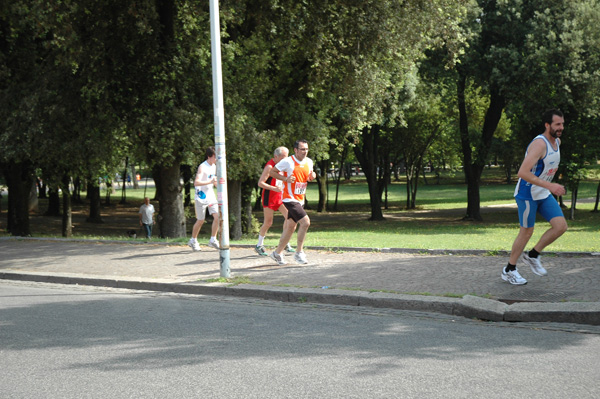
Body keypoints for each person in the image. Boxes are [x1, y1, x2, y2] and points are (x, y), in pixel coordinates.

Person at [502, 109, 568, 285]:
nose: (561, 127)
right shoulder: (540, 144)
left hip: (543, 193)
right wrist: (551, 185)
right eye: (557, 124)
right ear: (547, 125)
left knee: (560, 226)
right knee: (526, 232)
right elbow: (522, 172)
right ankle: (509, 269)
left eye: (562, 123)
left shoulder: (557, 142)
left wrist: (548, 186)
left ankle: (533, 255)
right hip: (527, 194)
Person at [268, 139, 316, 265]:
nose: (305, 152)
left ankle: (277, 253)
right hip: (289, 198)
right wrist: (285, 178)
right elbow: (272, 172)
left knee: (290, 227)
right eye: (302, 149)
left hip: (300, 199)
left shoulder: (309, 162)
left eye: (306, 149)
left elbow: (307, 178)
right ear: (295, 150)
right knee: (305, 222)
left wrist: (312, 177)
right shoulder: (288, 161)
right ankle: (299, 253)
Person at [255, 147, 295, 256]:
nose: (285, 160)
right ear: (276, 157)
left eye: (287, 157)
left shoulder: (283, 165)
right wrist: (273, 188)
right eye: (283, 158)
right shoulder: (269, 166)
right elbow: (260, 183)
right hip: (270, 196)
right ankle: (259, 245)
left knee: (289, 218)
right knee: (268, 222)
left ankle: (285, 242)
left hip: (280, 196)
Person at [188, 146, 220, 251]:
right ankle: (193, 240)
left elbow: (212, 180)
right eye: (215, 157)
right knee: (201, 220)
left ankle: (213, 239)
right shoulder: (202, 167)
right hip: (201, 196)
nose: (217, 159)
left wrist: (216, 184)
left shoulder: (214, 166)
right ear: (209, 156)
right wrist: (210, 182)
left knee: (218, 217)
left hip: (210, 196)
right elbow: (196, 182)